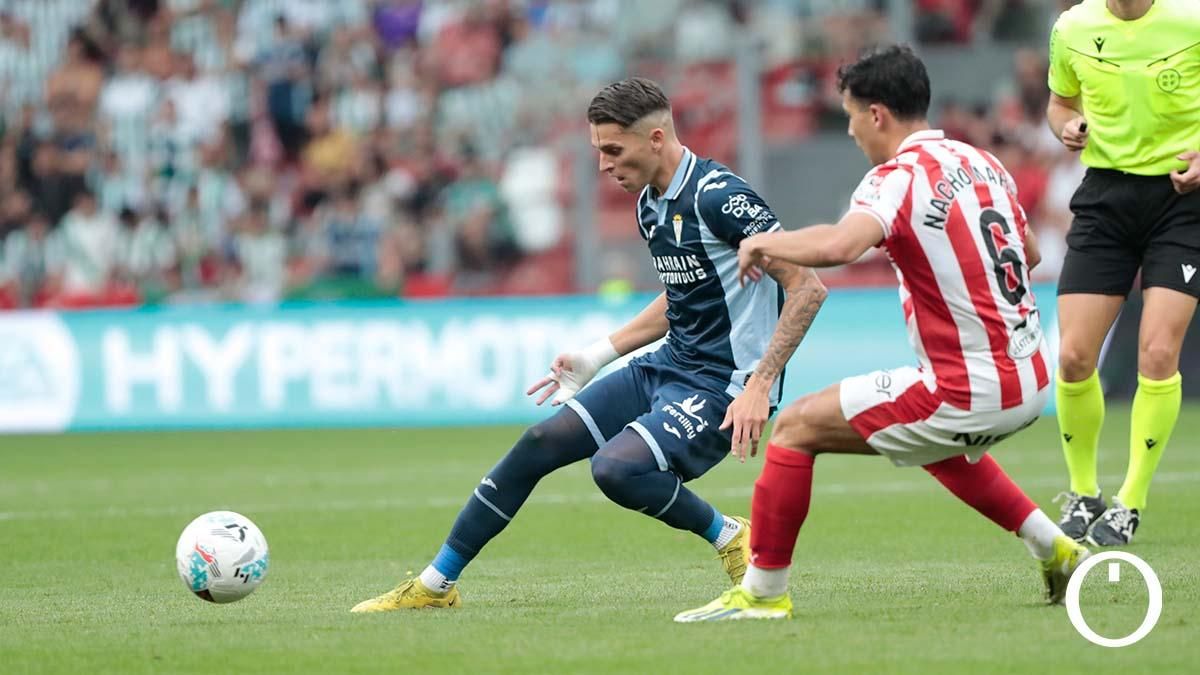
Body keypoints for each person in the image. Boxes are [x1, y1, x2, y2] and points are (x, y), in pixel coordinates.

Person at [351, 77, 828, 612]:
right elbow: (682, 298)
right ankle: (435, 586)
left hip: (723, 386)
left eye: (612, 150)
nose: (603, 164)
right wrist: (598, 353)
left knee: (615, 469)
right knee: (538, 444)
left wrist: (759, 385)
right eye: (599, 150)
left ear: (654, 138)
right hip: (669, 366)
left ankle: (728, 535)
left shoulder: (720, 198)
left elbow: (807, 287)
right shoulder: (650, 202)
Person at [675, 45, 1090, 623]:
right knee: (928, 442)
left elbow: (843, 246)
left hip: (970, 389)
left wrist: (766, 241)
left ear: (877, 114)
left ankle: (763, 593)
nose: (849, 131)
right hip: (1030, 376)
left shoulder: (894, 179)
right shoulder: (982, 161)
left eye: (849, 115)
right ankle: (1055, 546)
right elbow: (1034, 251)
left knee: (795, 427)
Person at [1045, 0, 1200, 547]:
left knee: (1157, 354)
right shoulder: (1073, 27)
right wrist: (1069, 125)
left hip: (1183, 200)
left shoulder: (1192, 19)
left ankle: (1129, 501)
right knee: (1072, 356)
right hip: (1106, 197)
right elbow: (1059, 103)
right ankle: (1083, 492)